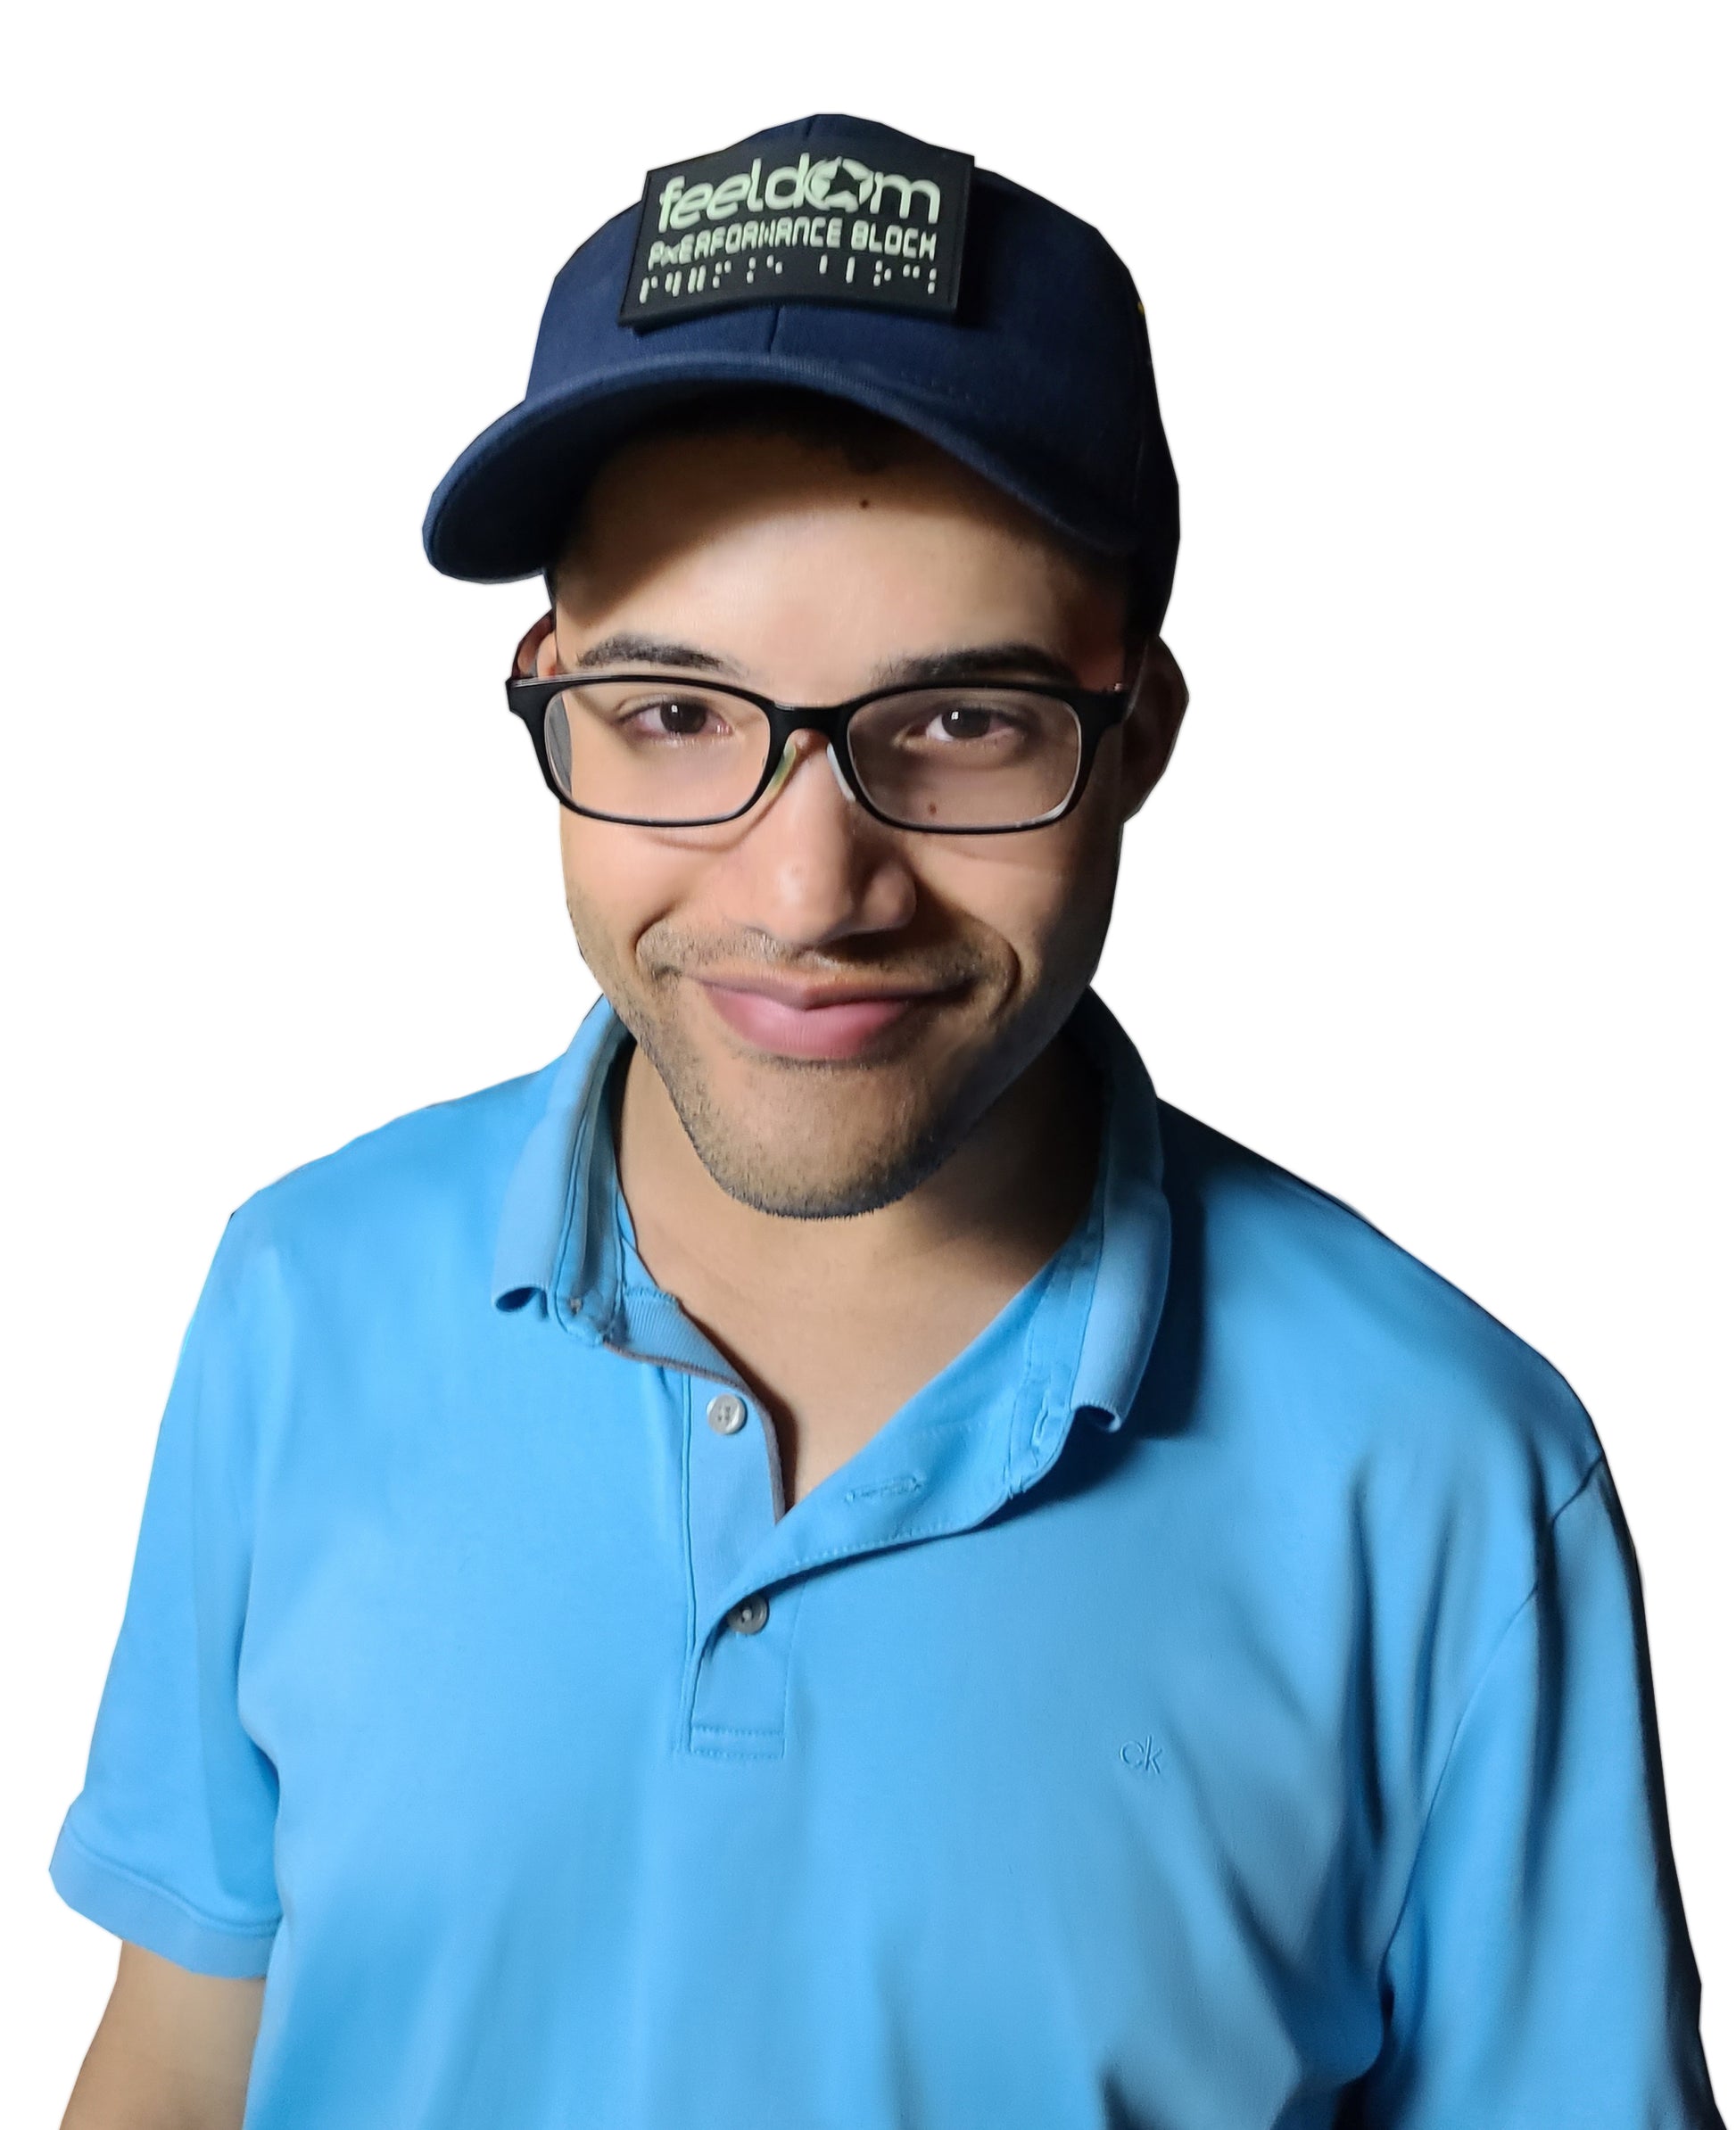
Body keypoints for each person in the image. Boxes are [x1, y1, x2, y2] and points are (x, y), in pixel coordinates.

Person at [53, 113, 1724, 2130]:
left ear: (1140, 736)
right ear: (545, 691)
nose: (802, 891)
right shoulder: (303, 1298)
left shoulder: (1442, 1477)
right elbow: (176, 2067)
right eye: (674, 713)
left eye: (954, 724)